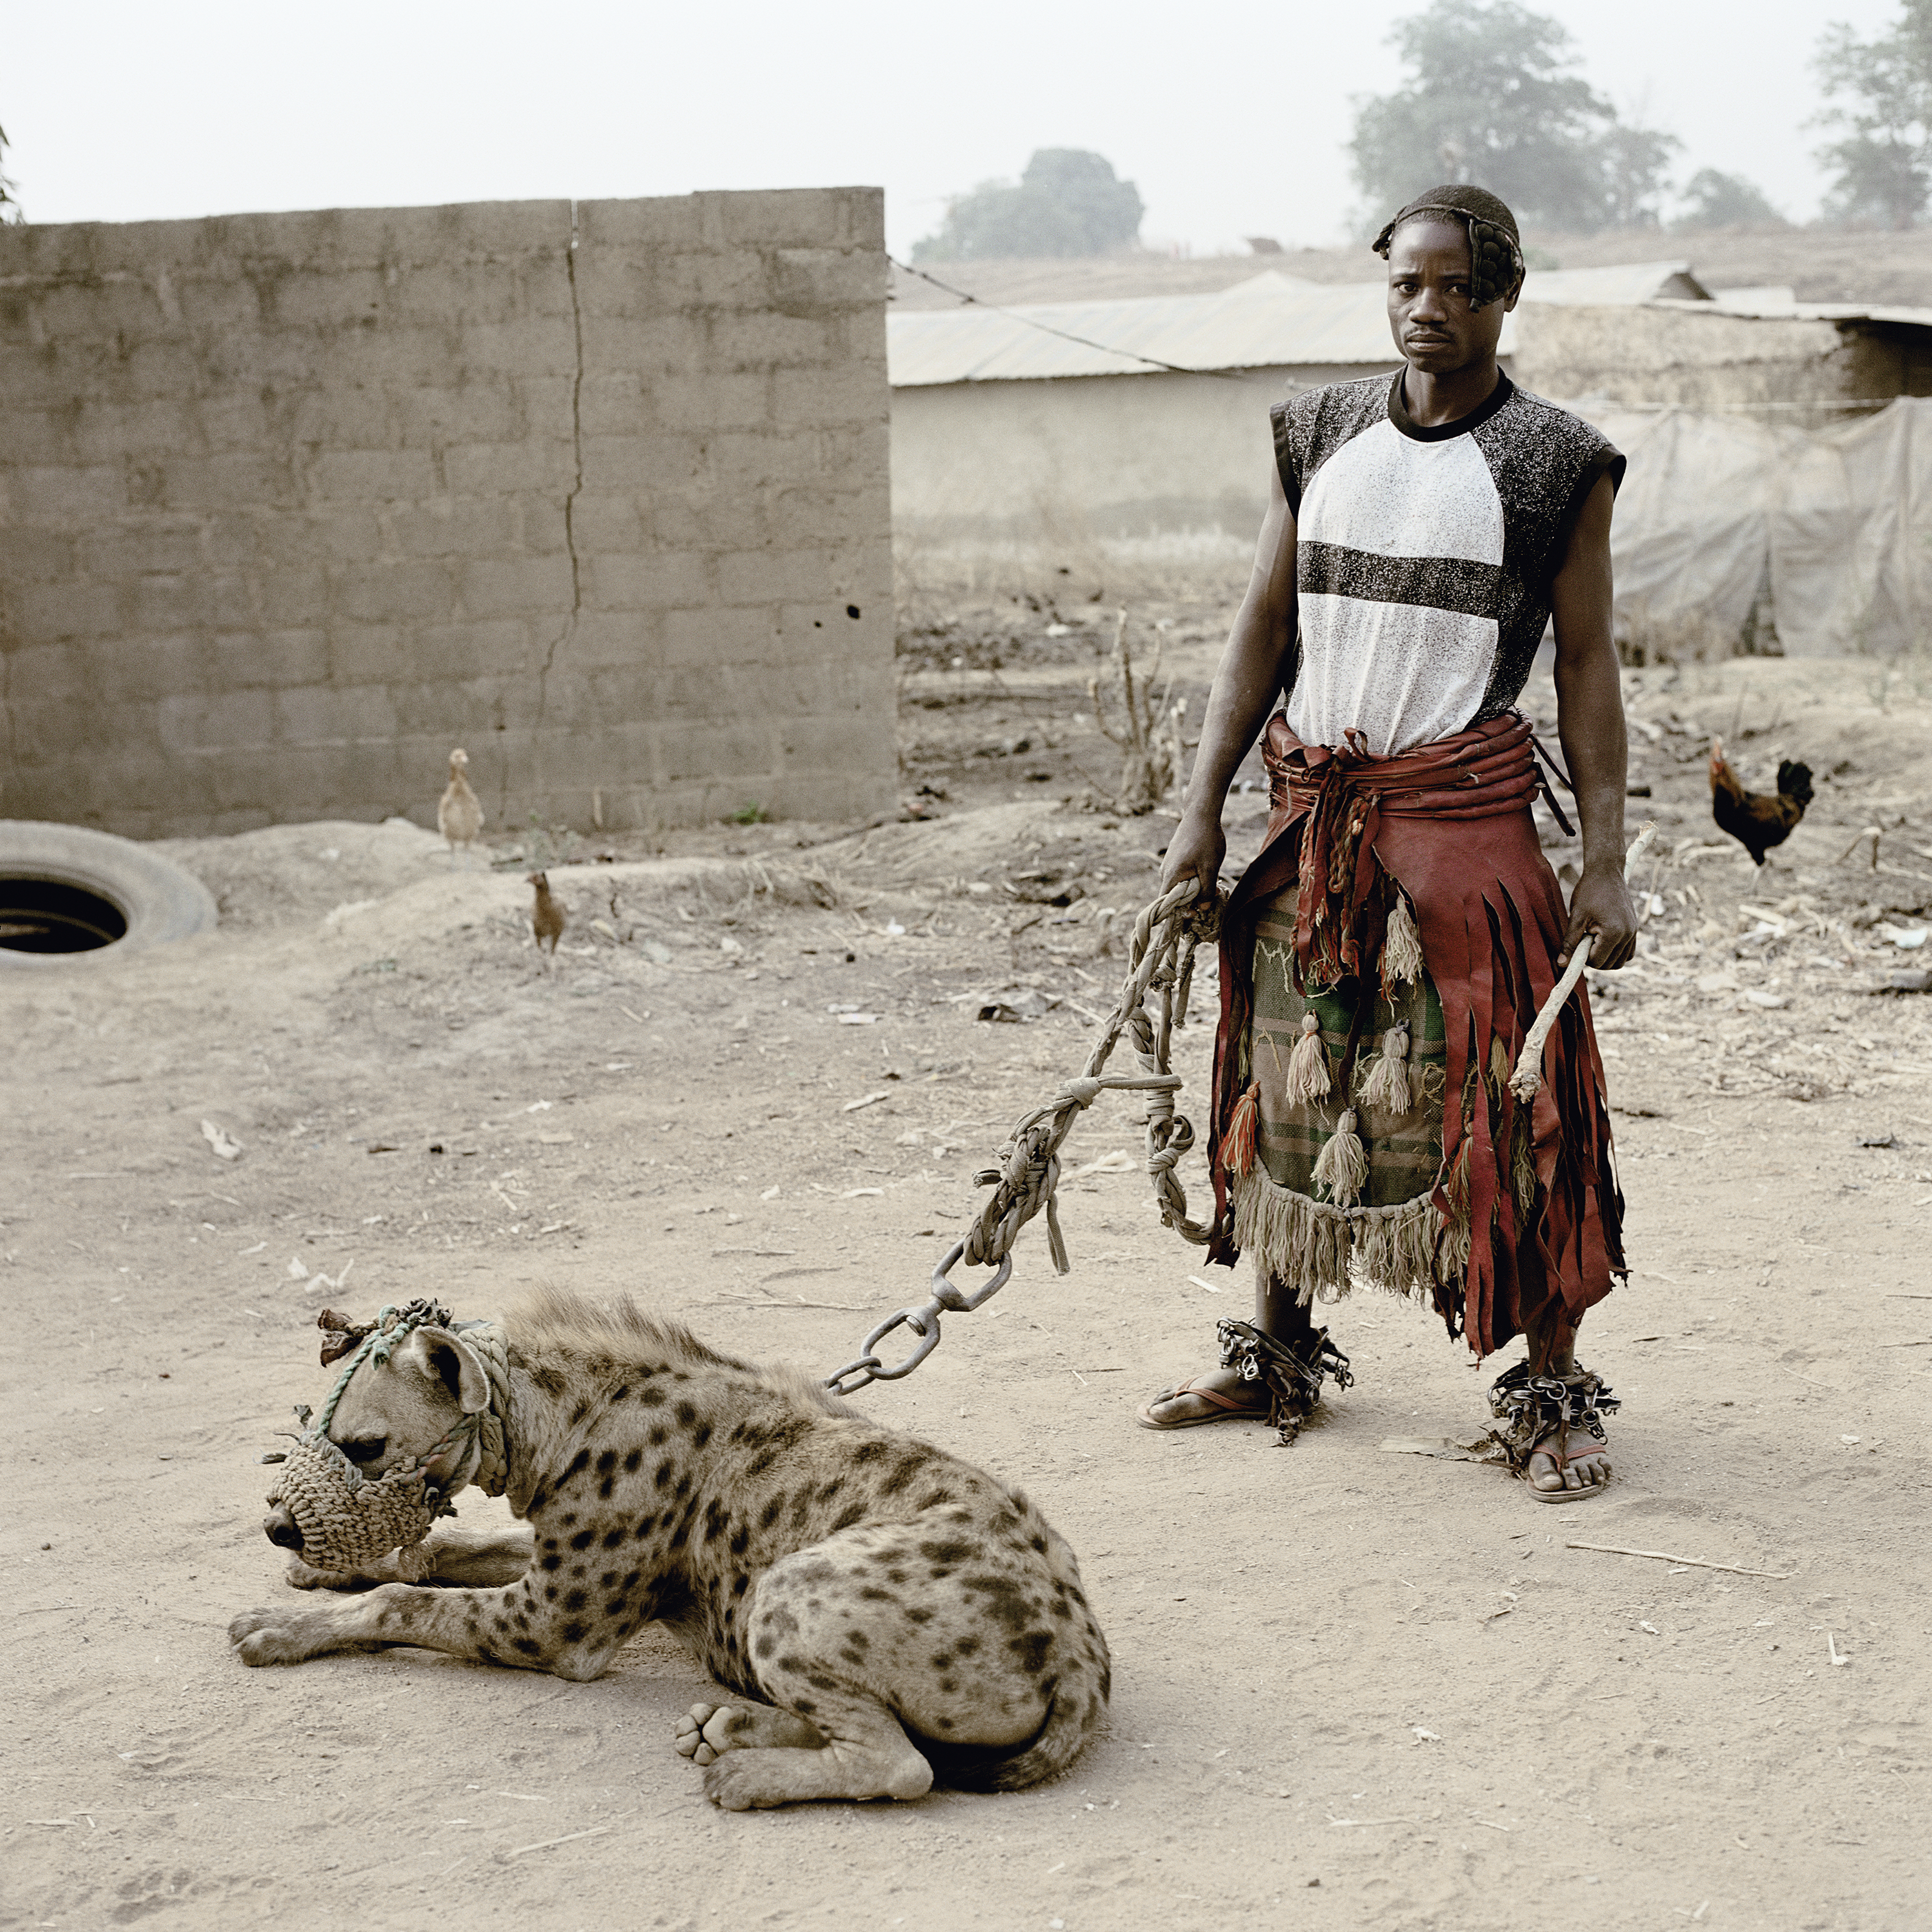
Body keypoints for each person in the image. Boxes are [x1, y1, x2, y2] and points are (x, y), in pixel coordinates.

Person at [1136, 185, 1635, 1503]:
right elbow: (1260, 626)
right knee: (1292, 1084)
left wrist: (1604, 861)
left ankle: (1547, 1390)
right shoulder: (1322, 432)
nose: (1427, 310)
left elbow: (1587, 669)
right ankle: (1280, 1353)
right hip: (1312, 820)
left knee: (1515, 1110)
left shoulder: (1554, 463)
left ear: (1505, 295)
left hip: (1463, 830)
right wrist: (1201, 809)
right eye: (1406, 286)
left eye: (1455, 287)